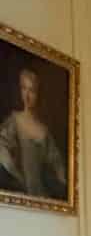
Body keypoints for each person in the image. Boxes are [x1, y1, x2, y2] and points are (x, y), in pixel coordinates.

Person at [0, 64, 67, 199]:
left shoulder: (43, 130)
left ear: (38, 94)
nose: (27, 95)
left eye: (32, 90)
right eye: (24, 88)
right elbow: (2, 146)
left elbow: (57, 163)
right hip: (20, 191)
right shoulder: (15, 120)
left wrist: (62, 180)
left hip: (41, 195)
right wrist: (17, 175)